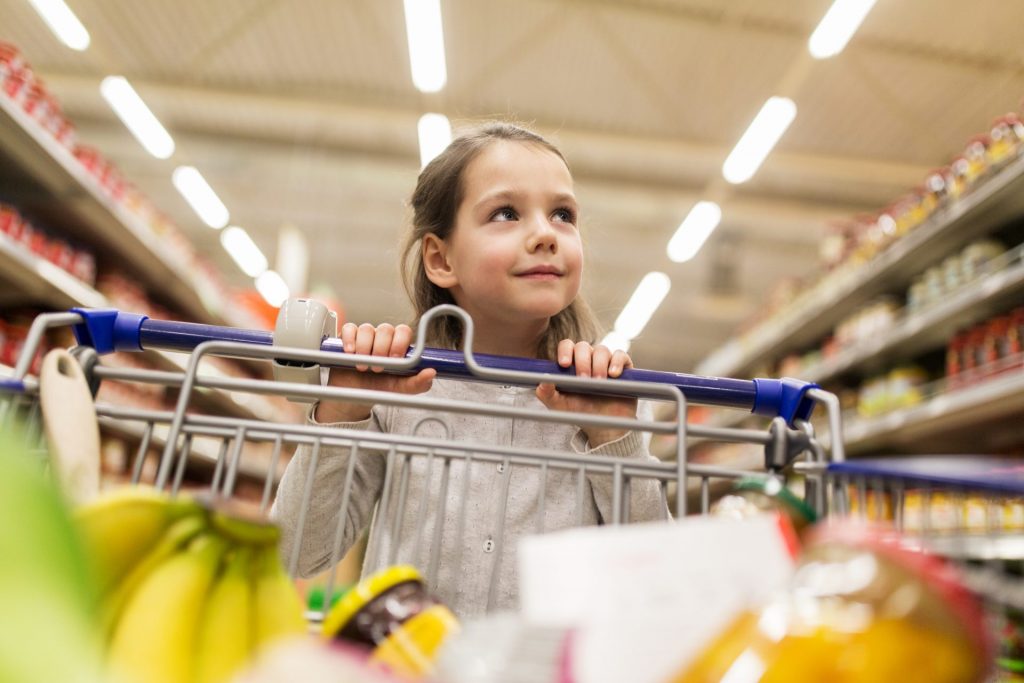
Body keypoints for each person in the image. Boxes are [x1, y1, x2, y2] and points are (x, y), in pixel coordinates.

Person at [272, 122, 669, 618]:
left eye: (563, 214)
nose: (546, 234)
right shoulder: (397, 389)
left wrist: (617, 440)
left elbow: (656, 576)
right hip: (410, 667)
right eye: (507, 213)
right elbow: (295, 552)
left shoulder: (604, 397)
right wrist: (344, 413)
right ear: (440, 259)